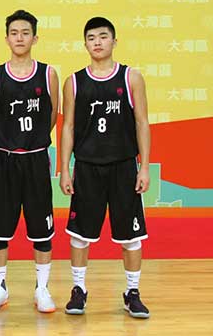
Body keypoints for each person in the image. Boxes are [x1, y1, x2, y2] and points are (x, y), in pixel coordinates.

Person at [59, 17, 151, 318]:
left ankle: (132, 293)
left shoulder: (131, 77)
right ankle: (78, 290)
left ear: (114, 41)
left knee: (131, 237)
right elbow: (68, 126)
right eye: (91, 37)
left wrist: (144, 167)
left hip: (124, 166)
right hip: (87, 167)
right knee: (80, 235)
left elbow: (142, 123)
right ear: (85, 43)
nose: (97, 42)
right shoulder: (74, 82)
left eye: (103, 36)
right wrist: (65, 168)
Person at [0, 10, 59, 313]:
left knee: (42, 228)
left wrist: (33, 140)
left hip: (36, 158)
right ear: (7, 38)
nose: (20, 38)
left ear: (35, 38)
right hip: (5, 159)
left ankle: (42, 289)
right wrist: (6, 142)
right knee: (0, 228)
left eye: (25, 33)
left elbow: (51, 116)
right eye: (14, 33)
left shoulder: (48, 74)